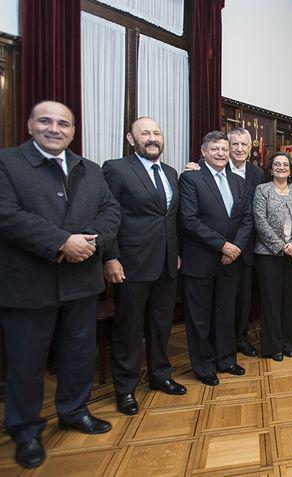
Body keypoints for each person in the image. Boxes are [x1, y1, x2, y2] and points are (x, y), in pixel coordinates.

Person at [0, 101, 121, 468]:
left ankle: (74, 409)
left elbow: (111, 210)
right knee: (26, 362)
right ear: (30, 124)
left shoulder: (90, 169)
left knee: (78, 352)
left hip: (82, 280)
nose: (55, 129)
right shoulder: (7, 163)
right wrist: (60, 242)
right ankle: (25, 430)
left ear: (72, 130)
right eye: (46, 121)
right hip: (29, 283)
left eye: (63, 124)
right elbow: (6, 214)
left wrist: (91, 242)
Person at [102, 117, 187, 416]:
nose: (152, 138)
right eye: (145, 133)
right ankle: (124, 389)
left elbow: (172, 218)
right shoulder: (116, 169)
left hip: (166, 263)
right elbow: (108, 215)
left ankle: (160, 375)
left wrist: (175, 252)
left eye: (157, 133)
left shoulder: (171, 172)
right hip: (132, 263)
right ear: (130, 138)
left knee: (161, 325)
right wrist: (110, 256)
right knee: (128, 328)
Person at [179, 131, 253, 386]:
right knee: (200, 317)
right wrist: (222, 246)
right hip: (201, 259)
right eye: (215, 149)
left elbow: (246, 220)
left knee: (225, 313)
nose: (221, 153)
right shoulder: (191, 178)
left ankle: (226, 359)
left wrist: (236, 248)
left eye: (224, 149)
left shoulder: (238, 182)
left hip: (231, 260)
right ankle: (203, 366)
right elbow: (189, 220)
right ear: (203, 152)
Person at [253, 152, 292, 361]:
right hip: (268, 255)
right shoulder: (262, 190)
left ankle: (289, 343)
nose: (281, 167)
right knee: (271, 301)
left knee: (291, 300)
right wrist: (280, 246)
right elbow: (260, 221)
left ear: (290, 169)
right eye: (276, 164)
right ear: (270, 169)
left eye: (285, 164)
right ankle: (273, 346)